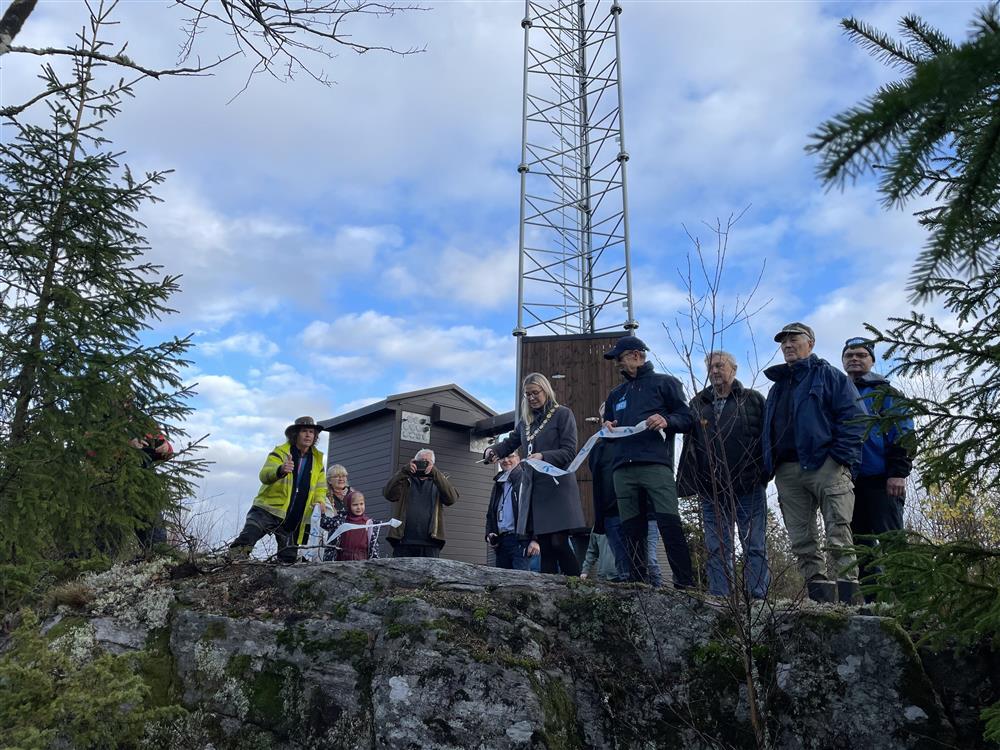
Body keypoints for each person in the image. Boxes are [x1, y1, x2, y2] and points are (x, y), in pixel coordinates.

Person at [762, 323, 865, 604]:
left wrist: (839, 457)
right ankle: (819, 601)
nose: (787, 345)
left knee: (838, 533)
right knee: (801, 540)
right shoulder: (777, 387)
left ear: (811, 343)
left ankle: (849, 600)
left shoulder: (830, 376)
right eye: (783, 342)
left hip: (826, 466)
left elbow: (856, 419)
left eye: (794, 339)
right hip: (787, 471)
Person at [601, 335, 695, 588]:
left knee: (668, 523)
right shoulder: (615, 394)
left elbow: (687, 418)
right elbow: (609, 429)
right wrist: (607, 428)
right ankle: (637, 584)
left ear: (636, 355)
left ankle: (685, 585)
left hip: (655, 464)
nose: (616, 364)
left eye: (619, 358)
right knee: (630, 529)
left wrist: (667, 421)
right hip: (622, 469)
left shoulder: (665, 383)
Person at [678, 350, 770, 599]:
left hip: (749, 486)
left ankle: (758, 599)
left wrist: (762, 475)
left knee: (755, 546)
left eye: (720, 366)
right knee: (717, 548)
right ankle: (720, 599)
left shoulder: (752, 400)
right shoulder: (698, 403)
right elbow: (690, 444)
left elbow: (767, 440)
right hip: (711, 490)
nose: (715, 372)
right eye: (710, 368)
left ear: (734, 368)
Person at [485, 373, 585, 576]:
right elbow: (510, 443)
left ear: (546, 390)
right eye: (527, 394)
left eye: (535, 393)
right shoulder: (526, 422)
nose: (531, 398)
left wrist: (543, 456)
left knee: (558, 542)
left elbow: (569, 452)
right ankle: (549, 592)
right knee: (546, 546)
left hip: (557, 487)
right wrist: (493, 451)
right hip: (536, 490)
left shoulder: (562, 414)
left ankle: (577, 587)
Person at [841, 336, 914, 596]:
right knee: (861, 548)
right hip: (847, 483)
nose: (855, 359)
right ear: (843, 360)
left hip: (882, 481)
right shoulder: (838, 391)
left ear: (871, 360)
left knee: (893, 544)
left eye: (861, 355)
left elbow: (904, 434)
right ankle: (875, 604)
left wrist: (897, 473)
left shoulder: (887, 393)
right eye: (850, 355)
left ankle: (910, 605)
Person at [229, 416, 328, 563]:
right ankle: (228, 567)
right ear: (295, 434)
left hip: (295, 515)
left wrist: (320, 501)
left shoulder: (317, 460)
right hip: (268, 509)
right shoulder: (280, 452)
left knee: (288, 559)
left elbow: (321, 487)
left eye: (311, 432)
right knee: (246, 540)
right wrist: (280, 470)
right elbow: (264, 475)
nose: (308, 435)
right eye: (304, 431)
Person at [384, 449, 459, 558]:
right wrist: (404, 471)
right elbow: (388, 494)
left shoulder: (439, 481)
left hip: (430, 543)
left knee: (430, 575)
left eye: (427, 462)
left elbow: (451, 499)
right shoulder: (405, 480)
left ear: (433, 464)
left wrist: (435, 473)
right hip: (403, 542)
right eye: (421, 461)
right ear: (414, 462)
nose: (423, 464)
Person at [485, 453, 541, 571]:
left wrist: (535, 539)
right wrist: (490, 533)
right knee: (502, 583)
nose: (506, 460)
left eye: (510, 456)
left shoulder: (525, 478)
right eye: (503, 457)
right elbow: (491, 513)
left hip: (521, 540)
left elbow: (535, 509)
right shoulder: (499, 483)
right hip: (501, 542)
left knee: (521, 583)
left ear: (518, 458)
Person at [318, 490, 381, 561]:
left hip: (362, 561)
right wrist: (322, 513)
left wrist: (375, 562)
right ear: (348, 505)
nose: (359, 507)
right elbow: (324, 523)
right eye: (355, 505)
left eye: (361, 504)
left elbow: (374, 547)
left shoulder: (369, 524)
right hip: (341, 561)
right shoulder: (341, 521)